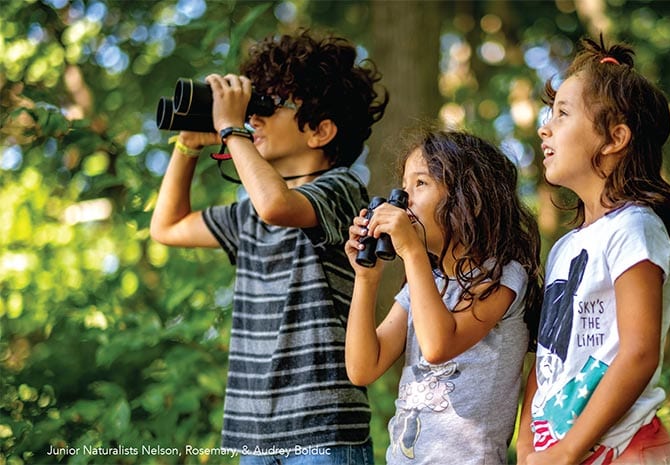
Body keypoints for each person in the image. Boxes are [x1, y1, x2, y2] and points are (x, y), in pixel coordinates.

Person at [149, 30, 388, 464]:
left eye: (267, 107)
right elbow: (168, 227)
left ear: (320, 131)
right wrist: (186, 146)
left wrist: (231, 127)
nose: (253, 119)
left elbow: (278, 204)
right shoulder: (249, 214)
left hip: (324, 430)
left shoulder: (343, 190)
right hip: (255, 435)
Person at [516, 36, 670, 465]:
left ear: (614, 139)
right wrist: (526, 445)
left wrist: (568, 452)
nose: (545, 127)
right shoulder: (564, 248)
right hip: (558, 451)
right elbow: (547, 357)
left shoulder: (635, 228)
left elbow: (639, 352)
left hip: (624, 450)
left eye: (562, 113)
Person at [344, 130, 543, 464]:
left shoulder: (504, 275)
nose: (404, 200)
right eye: (403, 187)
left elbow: (438, 345)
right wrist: (366, 277)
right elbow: (362, 368)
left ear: (471, 198)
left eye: (420, 183)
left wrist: (411, 251)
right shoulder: (426, 283)